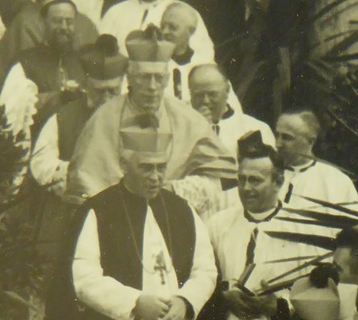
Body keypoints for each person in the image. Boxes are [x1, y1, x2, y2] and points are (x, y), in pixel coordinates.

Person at [55, 121, 217, 320]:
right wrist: (135, 302)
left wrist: (185, 302)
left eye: (161, 168)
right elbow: (84, 277)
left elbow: (205, 269)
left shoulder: (181, 210)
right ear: (123, 164)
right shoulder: (99, 210)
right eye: (146, 168)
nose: (156, 177)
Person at [66, 28, 236, 215]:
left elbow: (224, 178)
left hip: (172, 216)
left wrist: (176, 190)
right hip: (113, 217)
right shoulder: (104, 118)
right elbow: (82, 186)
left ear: (167, 79)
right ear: (130, 78)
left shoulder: (187, 119)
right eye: (144, 77)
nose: (152, 87)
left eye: (159, 78)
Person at [206, 135, 318, 320]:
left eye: (255, 180)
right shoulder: (217, 225)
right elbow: (204, 278)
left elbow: (318, 295)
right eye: (242, 179)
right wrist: (224, 297)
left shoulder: (303, 230)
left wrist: (277, 306)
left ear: (278, 182)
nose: (246, 188)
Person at [29, 33, 128, 195]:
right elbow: (41, 163)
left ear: (121, 85)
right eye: (99, 91)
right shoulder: (63, 117)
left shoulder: (134, 116)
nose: (106, 99)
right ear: (86, 86)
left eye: (112, 91)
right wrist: (76, 172)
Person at [0, 0, 85, 139]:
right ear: (42, 23)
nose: (64, 27)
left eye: (69, 22)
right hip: (37, 139)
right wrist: (59, 98)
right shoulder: (25, 62)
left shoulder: (81, 61)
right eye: (57, 21)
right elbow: (16, 109)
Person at [275, 109, 358, 214]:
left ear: (310, 141)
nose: (277, 143)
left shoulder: (335, 180)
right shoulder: (264, 173)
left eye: (287, 137)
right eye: (277, 135)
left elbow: (354, 223)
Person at [188, 63, 274, 160]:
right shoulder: (180, 130)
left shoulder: (253, 127)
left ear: (227, 90)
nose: (206, 101)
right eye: (198, 95)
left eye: (212, 94)